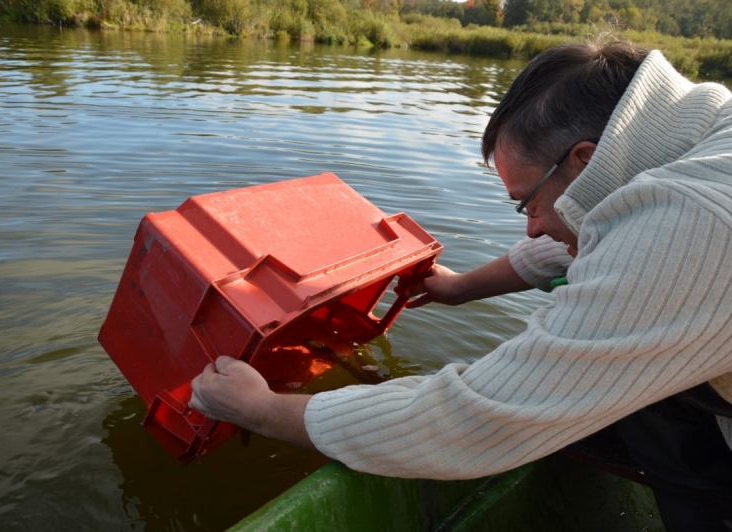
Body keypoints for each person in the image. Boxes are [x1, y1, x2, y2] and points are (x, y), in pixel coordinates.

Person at [189, 38, 732, 531]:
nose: (531, 225)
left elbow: (475, 418)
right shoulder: (702, 134)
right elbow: (603, 232)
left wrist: (261, 411)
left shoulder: (693, 219)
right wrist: (461, 287)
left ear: (586, 160)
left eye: (527, 203)